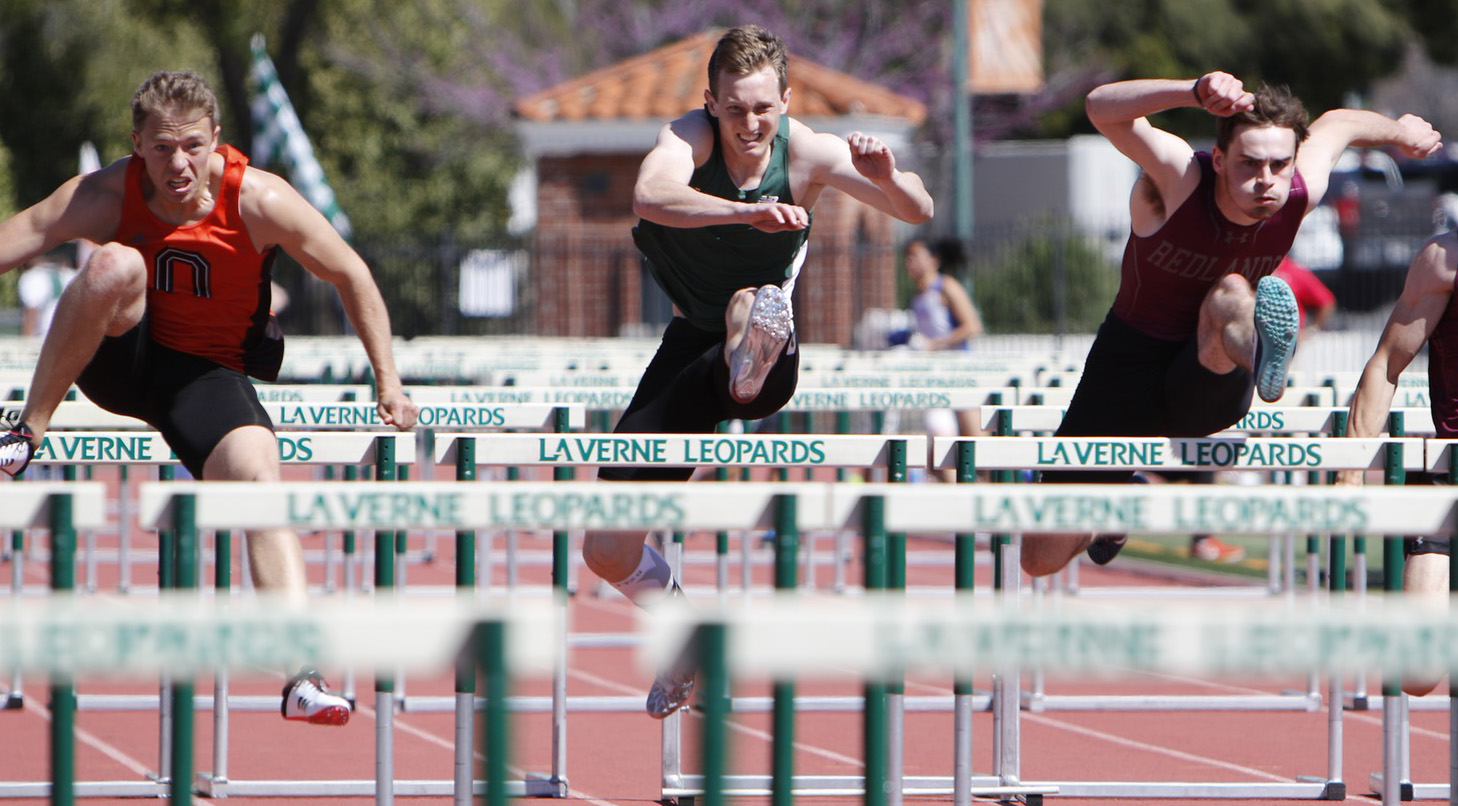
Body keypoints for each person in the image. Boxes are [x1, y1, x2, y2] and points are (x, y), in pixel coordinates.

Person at [0, 70, 419, 723]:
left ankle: (300, 676)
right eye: (162, 147)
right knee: (114, 264)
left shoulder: (259, 198)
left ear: (216, 139)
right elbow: (18, 237)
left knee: (261, 481)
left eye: (192, 146)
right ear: (136, 143)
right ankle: (26, 432)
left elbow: (350, 273)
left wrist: (386, 379)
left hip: (206, 378)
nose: (178, 163)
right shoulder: (106, 193)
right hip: (121, 357)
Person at [582, 24, 933, 718]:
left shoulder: (808, 152)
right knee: (605, 545)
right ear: (711, 101)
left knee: (753, 304)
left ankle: (751, 364)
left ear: (786, 100)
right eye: (736, 108)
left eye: (764, 108)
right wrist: (745, 214)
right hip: (691, 349)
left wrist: (889, 178)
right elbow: (651, 196)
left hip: (770, 351)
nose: (751, 124)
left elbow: (917, 210)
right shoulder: (688, 137)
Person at [1022, 71, 1441, 578]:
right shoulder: (1179, 178)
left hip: (1210, 370)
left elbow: (1340, 123)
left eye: (1279, 165)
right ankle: (1114, 509)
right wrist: (1192, 92)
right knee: (1038, 559)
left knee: (1231, 292)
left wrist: (1401, 131)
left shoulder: (1299, 190)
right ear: (1219, 160)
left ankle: (1263, 355)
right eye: (1249, 164)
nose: (1266, 179)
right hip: (1128, 361)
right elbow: (1100, 107)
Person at [1340, 229, 1457, 696]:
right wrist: (1349, 474)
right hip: (1447, 474)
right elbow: (1386, 364)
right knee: (1419, 674)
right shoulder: (1442, 261)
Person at [902, 236, 985, 482]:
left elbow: (973, 326)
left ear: (934, 260)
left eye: (915, 256)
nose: (909, 263)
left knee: (978, 443)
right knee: (940, 441)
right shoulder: (917, 296)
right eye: (907, 258)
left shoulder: (947, 286)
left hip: (959, 371)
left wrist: (935, 345)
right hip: (933, 375)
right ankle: (956, 500)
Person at [1274, 255, 1336, 337]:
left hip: (1288, 339)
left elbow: (1327, 302)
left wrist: (1311, 331)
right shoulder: (1254, 268)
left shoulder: (1293, 271)